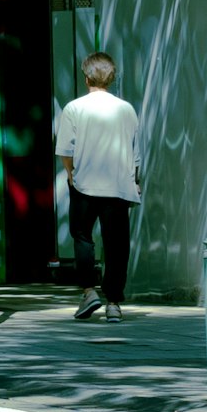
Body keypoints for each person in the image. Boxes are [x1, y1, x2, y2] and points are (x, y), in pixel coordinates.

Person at [58, 52, 143, 318]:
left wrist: (72, 174)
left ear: (86, 78)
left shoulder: (74, 108)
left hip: (84, 184)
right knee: (116, 244)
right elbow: (135, 153)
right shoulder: (126, 109)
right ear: (112, 78)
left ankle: (88, 291)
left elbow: (65, 150)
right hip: (118, 185)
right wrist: (135, 181)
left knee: (83, 236)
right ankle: (114, 303)